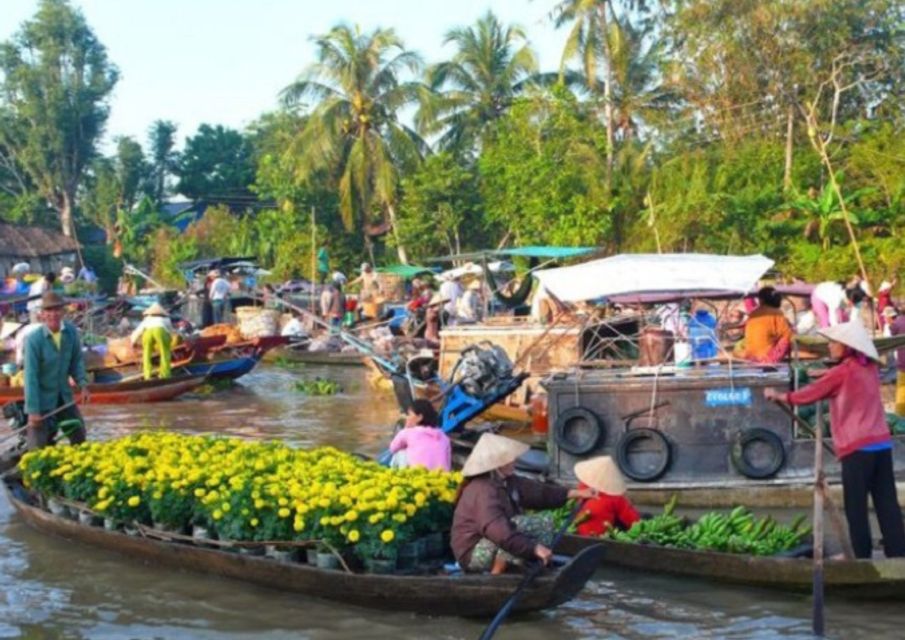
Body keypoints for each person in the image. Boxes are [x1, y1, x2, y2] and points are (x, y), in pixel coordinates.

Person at [764, 321, 905, 559]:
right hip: (881, 445)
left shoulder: (843, 373)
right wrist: (825, 373)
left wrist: (780, 395)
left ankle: (861, 557)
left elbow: (810, 394)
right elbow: (841, 378)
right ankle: (898, 553)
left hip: (858, 447)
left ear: (847, 347)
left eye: (834, 343)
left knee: (855, 506)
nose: (830, 346)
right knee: (886, 502)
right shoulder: (868, 367)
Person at [451, 433, 593, 574]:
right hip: (472, 553)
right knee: (516, 525)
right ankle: (497, 574)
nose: (513, 460)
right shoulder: (482, 490)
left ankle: (520, 565)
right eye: (508, 459)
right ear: (496, 465)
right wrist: (535, 548)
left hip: (494, 540)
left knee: (545, 522)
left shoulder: (508, 481)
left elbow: (539, 493)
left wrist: (576, 493)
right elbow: (499, 531)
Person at [22, 292, 89, 450]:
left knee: (79, 436)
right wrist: (33, 411)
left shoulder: (71, 332)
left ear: (63, 311)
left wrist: (83, 385)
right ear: (42, 314)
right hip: (41, 399)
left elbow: (76, 361)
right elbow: (30, 377)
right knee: (36, 447)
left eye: (57, 310)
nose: (53, 314)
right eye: (49, 311)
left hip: (64, 396)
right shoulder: (34, 339)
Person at [573, 456, 640, 537]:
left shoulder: (581, 487)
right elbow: (634, 522)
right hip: (601, 538)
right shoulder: (615, 497)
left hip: (577, 532)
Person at [388, 399, 451, 471]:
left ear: (419, 417)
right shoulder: (443, 436)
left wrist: (406, 428)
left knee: (400, 453)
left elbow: (392, 448)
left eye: (409, 414)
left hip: (419, 477)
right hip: (442, 478)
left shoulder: (408, 433)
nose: (407, 418)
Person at [742, 286, 793, 362]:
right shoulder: (776, 313)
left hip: (750, 358)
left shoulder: (753, 313)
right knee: (788, 339)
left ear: (761, 300)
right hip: (766, 358)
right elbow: (788, 336)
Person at [130, 303, 174, 380]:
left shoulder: (147, 319)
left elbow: (138, 330)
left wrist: (133, 341)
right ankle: (165, 375)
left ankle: (147, 375)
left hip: (147, 332)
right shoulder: (166, 319)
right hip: (160, 331)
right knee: (165, 353)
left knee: (146, 354)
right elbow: (171, 331)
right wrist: (170, 339)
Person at [889, 308, 905, 417]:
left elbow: (892, 333)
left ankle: (900, 417)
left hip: (903, 363)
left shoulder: (897, 322)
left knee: (901, 391)